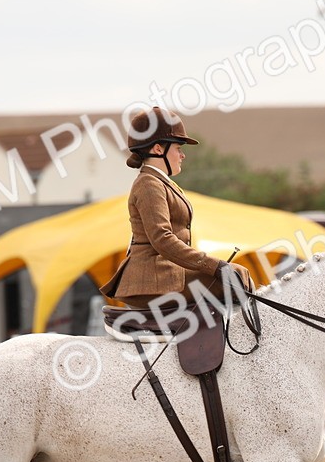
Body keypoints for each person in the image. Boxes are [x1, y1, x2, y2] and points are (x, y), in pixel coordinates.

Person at [100, 106, 250, 310]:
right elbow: (162, 239)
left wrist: (215, 266)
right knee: (236, 277)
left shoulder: (161, 182)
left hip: (166, 275)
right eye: (178, 148)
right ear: (158, 149)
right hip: (152, 281)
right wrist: (215, 266)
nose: (182, 155)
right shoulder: (148, 184)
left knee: (239, 275)